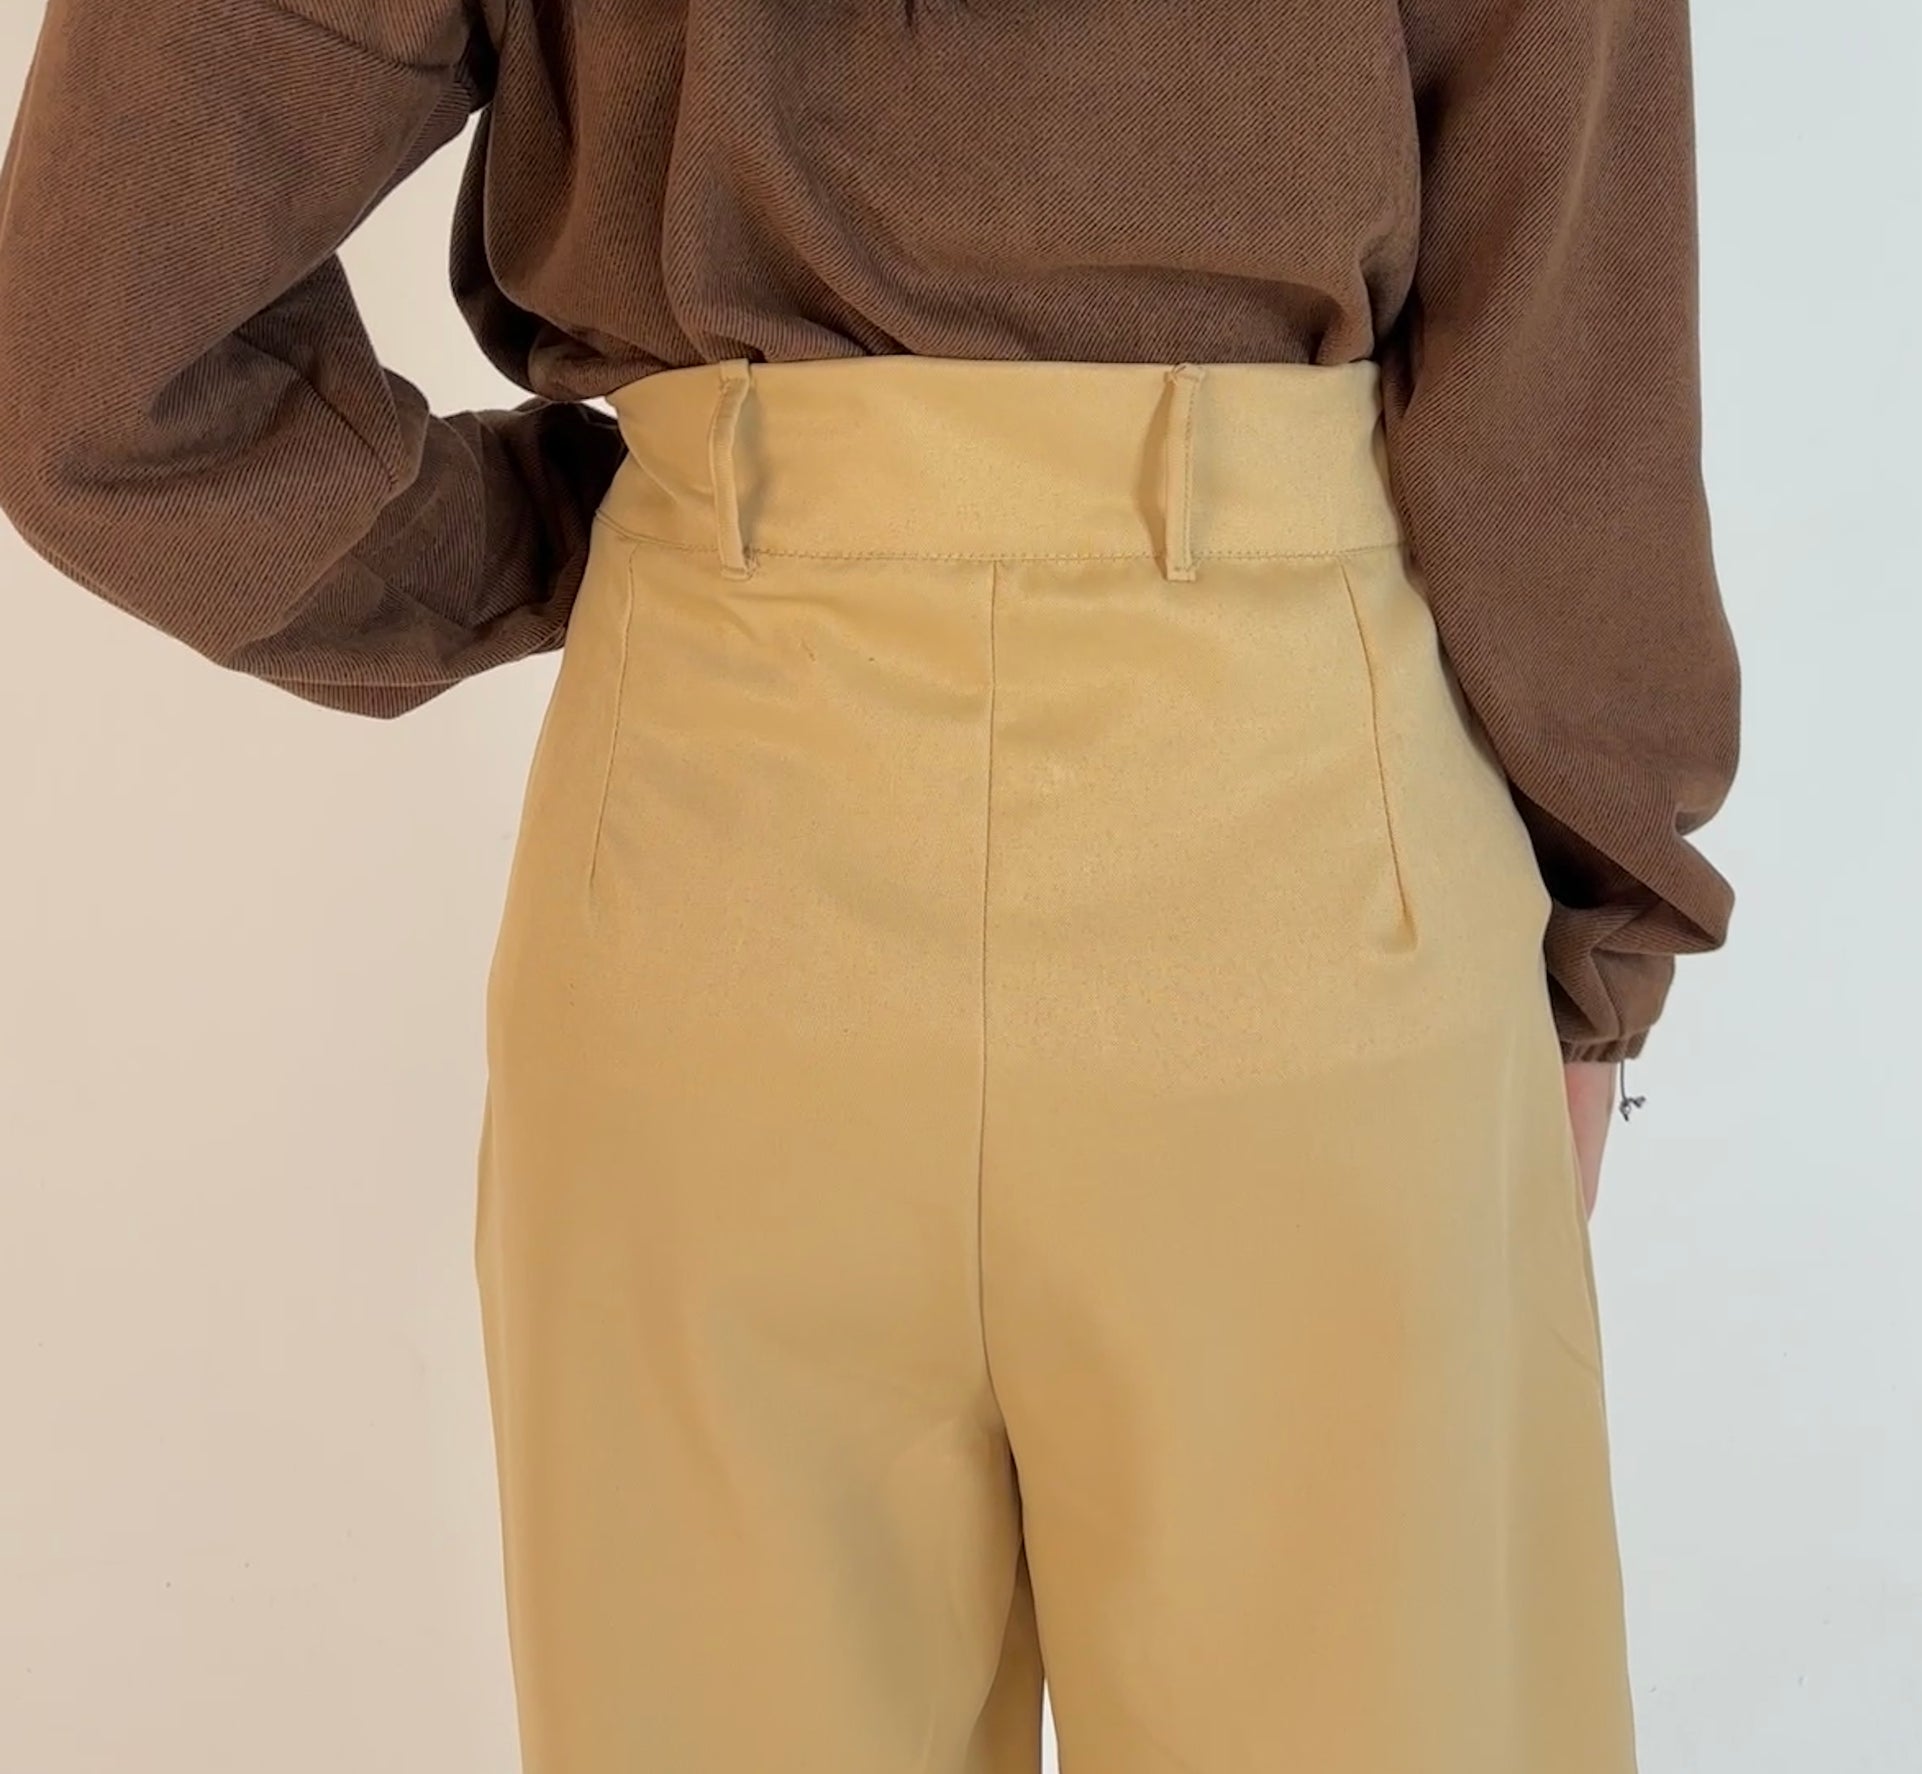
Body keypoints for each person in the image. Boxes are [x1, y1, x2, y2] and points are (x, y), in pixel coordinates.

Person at [0, 2, 1740, 1769]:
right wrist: (1600, 943)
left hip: (715, 849)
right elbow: (1561, 340)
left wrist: (580, 536)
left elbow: (98, 361)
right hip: (1304, 887)